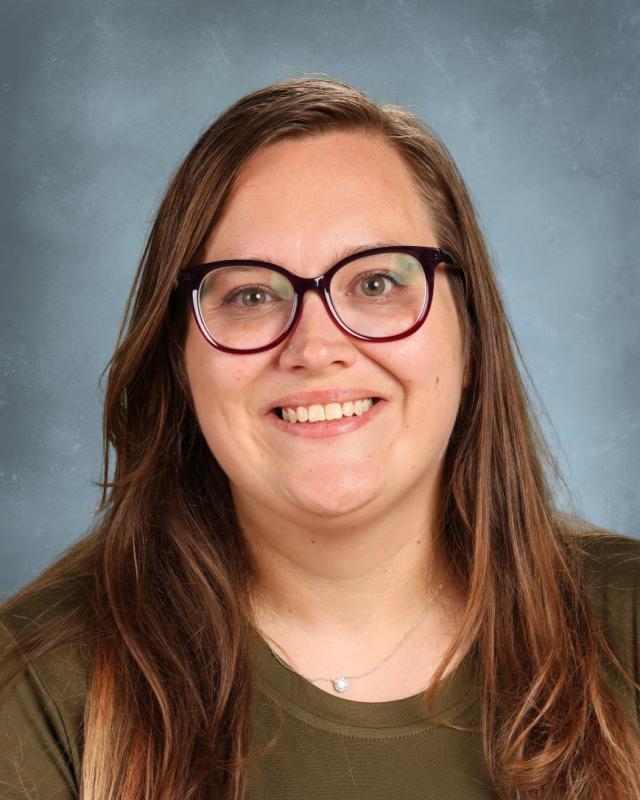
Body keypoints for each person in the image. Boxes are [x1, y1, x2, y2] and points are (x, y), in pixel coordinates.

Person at [0, 75, 638, 800]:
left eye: (375, 284)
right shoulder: (36, 690)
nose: (315, 347)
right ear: (180, 361)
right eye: (250, 294)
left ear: (470, 338)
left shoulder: (628, 626)